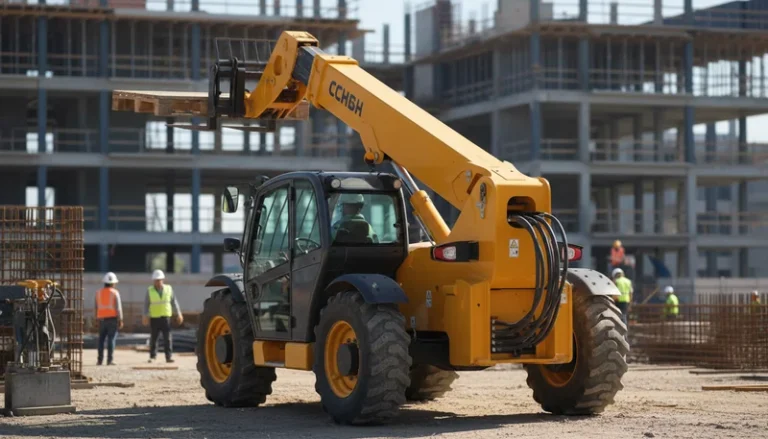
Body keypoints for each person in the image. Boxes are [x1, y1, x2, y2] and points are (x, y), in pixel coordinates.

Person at [142, 269, 183, 363]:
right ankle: (152, 356)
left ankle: (168, 357)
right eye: (156, 280)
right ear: (153, 281)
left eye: (159, 280)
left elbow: (174, 302)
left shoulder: (169, 289)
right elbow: (146, 304)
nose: (158, 282)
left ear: (163, 280)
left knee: (167, 338)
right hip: (154, 318)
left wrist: (179, 313)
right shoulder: (150, 290)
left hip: (165, 318)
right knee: (154, 338)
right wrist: (145, 315)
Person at [95, 272, 123, 366]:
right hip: (112, 320)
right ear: (113, 283)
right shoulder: (115, 293)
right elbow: (118, 308)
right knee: (111, 340)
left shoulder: (98, 293)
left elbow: (96, 307)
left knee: (101, 340)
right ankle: (109, 360)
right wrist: (120, 320)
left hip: (101, 320)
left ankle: (99, 360)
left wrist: (96, 319)